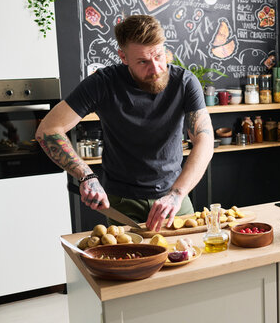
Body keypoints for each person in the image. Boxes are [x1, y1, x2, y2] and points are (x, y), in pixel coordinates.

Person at [36, 14, 214, 232]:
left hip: (174, 196)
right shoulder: (102, 83)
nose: (156, 68)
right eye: (143, 61)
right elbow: (48, 130)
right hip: (121, 202)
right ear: (123, 56)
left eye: (159, 55)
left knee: (188, 257)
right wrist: (85, 175)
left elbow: (205, 139)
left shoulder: (185, 82)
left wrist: (177, 194)